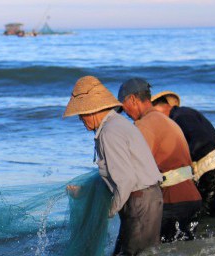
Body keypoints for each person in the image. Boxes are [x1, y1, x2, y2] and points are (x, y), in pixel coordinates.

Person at [64, 76, 163, 255]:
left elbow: (126, 180)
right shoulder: (116, 124)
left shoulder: (109, 132)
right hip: (146, 199)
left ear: (91, 111)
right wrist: (84, 192)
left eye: (80, 115)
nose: (81, 120)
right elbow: (115, 175)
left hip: (140, 202)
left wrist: (108, 211)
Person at [118, 78, 203, 243]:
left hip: (173, 200)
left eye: (124, 107)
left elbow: (134, 168)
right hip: (192, 198)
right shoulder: (167, 121)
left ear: (133, 100)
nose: (126, 114)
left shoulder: (144, 125)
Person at [151, 91, 215, 218]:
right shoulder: (186, 113)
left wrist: (184, 160)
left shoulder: (179, 117)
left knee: (208, 222)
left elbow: (200, 140)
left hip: (213, 175)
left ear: (159, 107)